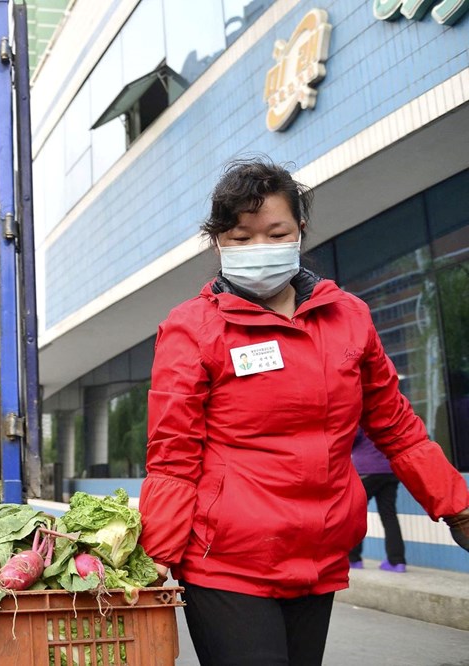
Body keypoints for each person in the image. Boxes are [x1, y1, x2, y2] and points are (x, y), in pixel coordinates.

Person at [137, 159, 469, 666]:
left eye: (276, 232)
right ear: (217, 242)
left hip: (319, 552)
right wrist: (156, 557)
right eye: (241, 237)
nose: (259, 249)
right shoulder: (193, 329)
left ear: (300, 231)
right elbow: (173, 454)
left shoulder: (349, 318)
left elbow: (397, 427)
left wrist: (458, 506)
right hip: (226, 560)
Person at [349, 428, 407, 572]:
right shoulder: (388, 417)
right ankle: (396, 561)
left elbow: (350, 440)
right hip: (389, 470)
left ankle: (353, 559)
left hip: (366, 471)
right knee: (389, 516)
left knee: (354, 514)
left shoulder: (361, 418)